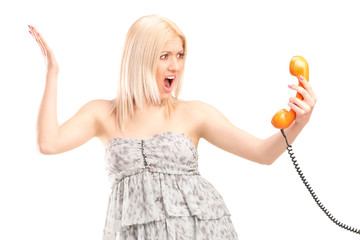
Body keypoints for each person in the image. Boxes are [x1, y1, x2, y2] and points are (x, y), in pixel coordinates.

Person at [28, 14, 316, 240]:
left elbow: (262, 153)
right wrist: (52, 72)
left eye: (179, 55)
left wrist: (297, 124)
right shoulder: (102, 113)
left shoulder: (194, 113)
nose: (175, 66)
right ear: (140, 59)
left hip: (199, 229)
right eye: (164, 56)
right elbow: (49, 143)